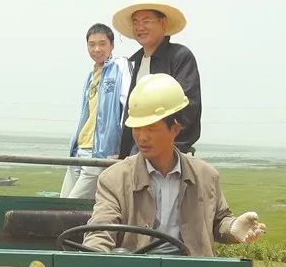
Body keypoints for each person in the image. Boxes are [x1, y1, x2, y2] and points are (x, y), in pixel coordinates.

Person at [83, 74, 265, 256]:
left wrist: (233, 228)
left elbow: (218, 220)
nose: (142, 137)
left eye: (151, 129)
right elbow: (101, 228)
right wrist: (92, 257)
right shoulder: (114, 179)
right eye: (137, 129)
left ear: (175, 129)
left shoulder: (206, 176)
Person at [112, 0, 201, 158]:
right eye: (136, 22)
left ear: (163, 23)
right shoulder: (133, 63)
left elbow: (188, 107)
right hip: (136, 151)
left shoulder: (180, 57)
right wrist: (122, 154)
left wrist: (167, 144)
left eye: (146, 21)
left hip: (170, 150)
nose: (140, 27)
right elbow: (129, 113)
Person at [60, 23, 131, 199]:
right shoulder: (91, 76)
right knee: (61, 202)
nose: (97, 49)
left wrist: (122, 149)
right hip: (79, 149)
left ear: (112, 45)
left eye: (102, 44)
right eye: (92, 44)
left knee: (73, 204)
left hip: (100, 151)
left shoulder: (120, 67)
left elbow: (127, 107)